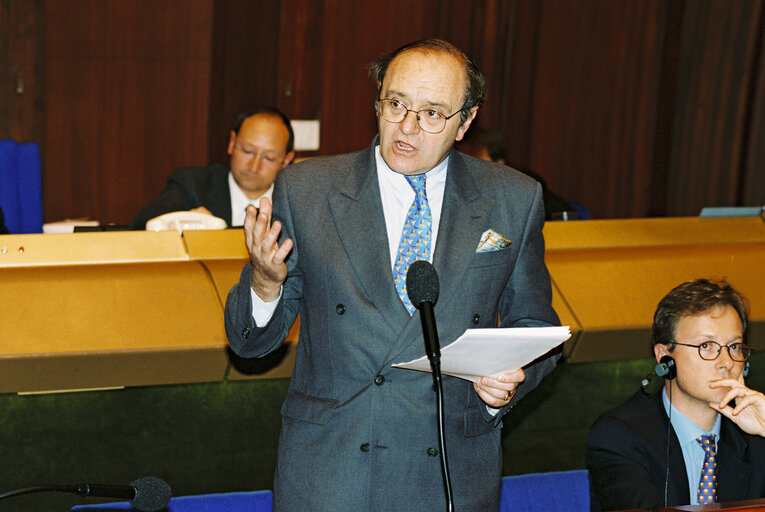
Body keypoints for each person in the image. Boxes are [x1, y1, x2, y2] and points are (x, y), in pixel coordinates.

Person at [225, 39, 561, 511]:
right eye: (396, 104)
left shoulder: (512, 198)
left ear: (465, 122)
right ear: (377, 100)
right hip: (331, 472)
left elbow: (536, 327)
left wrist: (509, 382)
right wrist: (264, 283)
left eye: (432, 114)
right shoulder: (308, 189)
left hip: (448, 471)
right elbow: (248, 344)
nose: (407, 127)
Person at [587, 279, 765, 511]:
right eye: (706, 346)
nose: (726, 363)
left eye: (733, 346)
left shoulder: (755, 434)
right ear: (665, 357)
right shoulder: (619, 436)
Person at [132, 107, 295, 229]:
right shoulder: (194, 184)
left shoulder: (297, 204)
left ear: (286, 160)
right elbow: (142, 222)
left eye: (269, 157)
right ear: (232, 143)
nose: (254, 166)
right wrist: (186, 221)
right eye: (248, 151)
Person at [466, 131, 574, 220]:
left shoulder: (524, 189)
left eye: (481, 163)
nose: (475, 170)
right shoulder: (467, 191)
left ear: (499, 163)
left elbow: (563, 213)